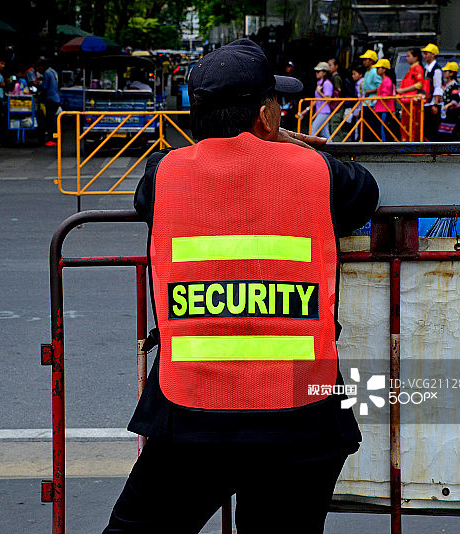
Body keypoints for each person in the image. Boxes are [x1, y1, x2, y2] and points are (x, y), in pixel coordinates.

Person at [103, 38, 379, 534]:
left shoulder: (163, 175)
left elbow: (162, 189)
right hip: (301, 416)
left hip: (191, 412)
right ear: (268, 115)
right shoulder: (320, 173)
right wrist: (290, 149)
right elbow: (366, 192)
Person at [396, 48, 425, 141]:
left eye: (409, 56)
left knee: (411, 126)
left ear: (416, 57)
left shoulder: (417, 68)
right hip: (407, 101)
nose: (407, 58)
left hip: (412, 101)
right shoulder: (411, 69)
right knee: (406, 125)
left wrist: (403, 90)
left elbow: (419, 84)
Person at [300, 62, 334, 137]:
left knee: (313, 131)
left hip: (324, 111)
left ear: (324, 72)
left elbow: (329, 99)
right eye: (316, 71)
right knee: (325, 133)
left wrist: (319, 92)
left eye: (318, 71)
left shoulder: (327, 83)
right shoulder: (320, 83)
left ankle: (312, 148)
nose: (316, 73)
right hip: (320, 111)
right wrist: (307, 110)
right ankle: (332, 147)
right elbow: (317, 100)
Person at [36, 58, 61, 147]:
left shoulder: (46, 73)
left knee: (50, 120)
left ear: (42, 66)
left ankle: (51, 139)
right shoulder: (53, 71)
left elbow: (44, 86)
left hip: (50, 99)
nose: (38, 69)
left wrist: (37, 84)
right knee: (53, 120)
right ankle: (54, 138)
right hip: (56, 98)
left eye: (38, 67)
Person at [421, 43, 443, 141]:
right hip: (426, 102)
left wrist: (435, 104)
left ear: (433, 54)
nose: (424, 56)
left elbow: (437, 87)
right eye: (424, 53)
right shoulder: (426, 68)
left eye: (427, 53)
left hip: (432, 103)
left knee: (432, 128)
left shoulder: (436, 70)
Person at [360, 49, 382, 141]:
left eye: (366, 59)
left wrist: (370, 91)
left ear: (371, 60)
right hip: (366, 102)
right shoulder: (367, 72)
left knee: (371, 125)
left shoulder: (374, 72)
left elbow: (380, 87)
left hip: (372, 102)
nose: (364, 61)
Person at [374, 58, 397, 141]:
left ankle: (383, 144)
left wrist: (376, 97)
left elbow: (386, 94)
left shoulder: (387, 80)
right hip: (382, 108)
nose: (376, 70)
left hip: (384, 108)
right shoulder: (385, 80)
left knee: (383, 128)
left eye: (378, 68)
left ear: (384, 69)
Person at [327, 57, 344, 140]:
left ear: (336, 66)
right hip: (337, 105)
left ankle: (338, 143)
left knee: (335, 124)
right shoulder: (333, 77)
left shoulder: (336, 78)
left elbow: (338, 91)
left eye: (330, 65)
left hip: (338, 105)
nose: (328, 67)